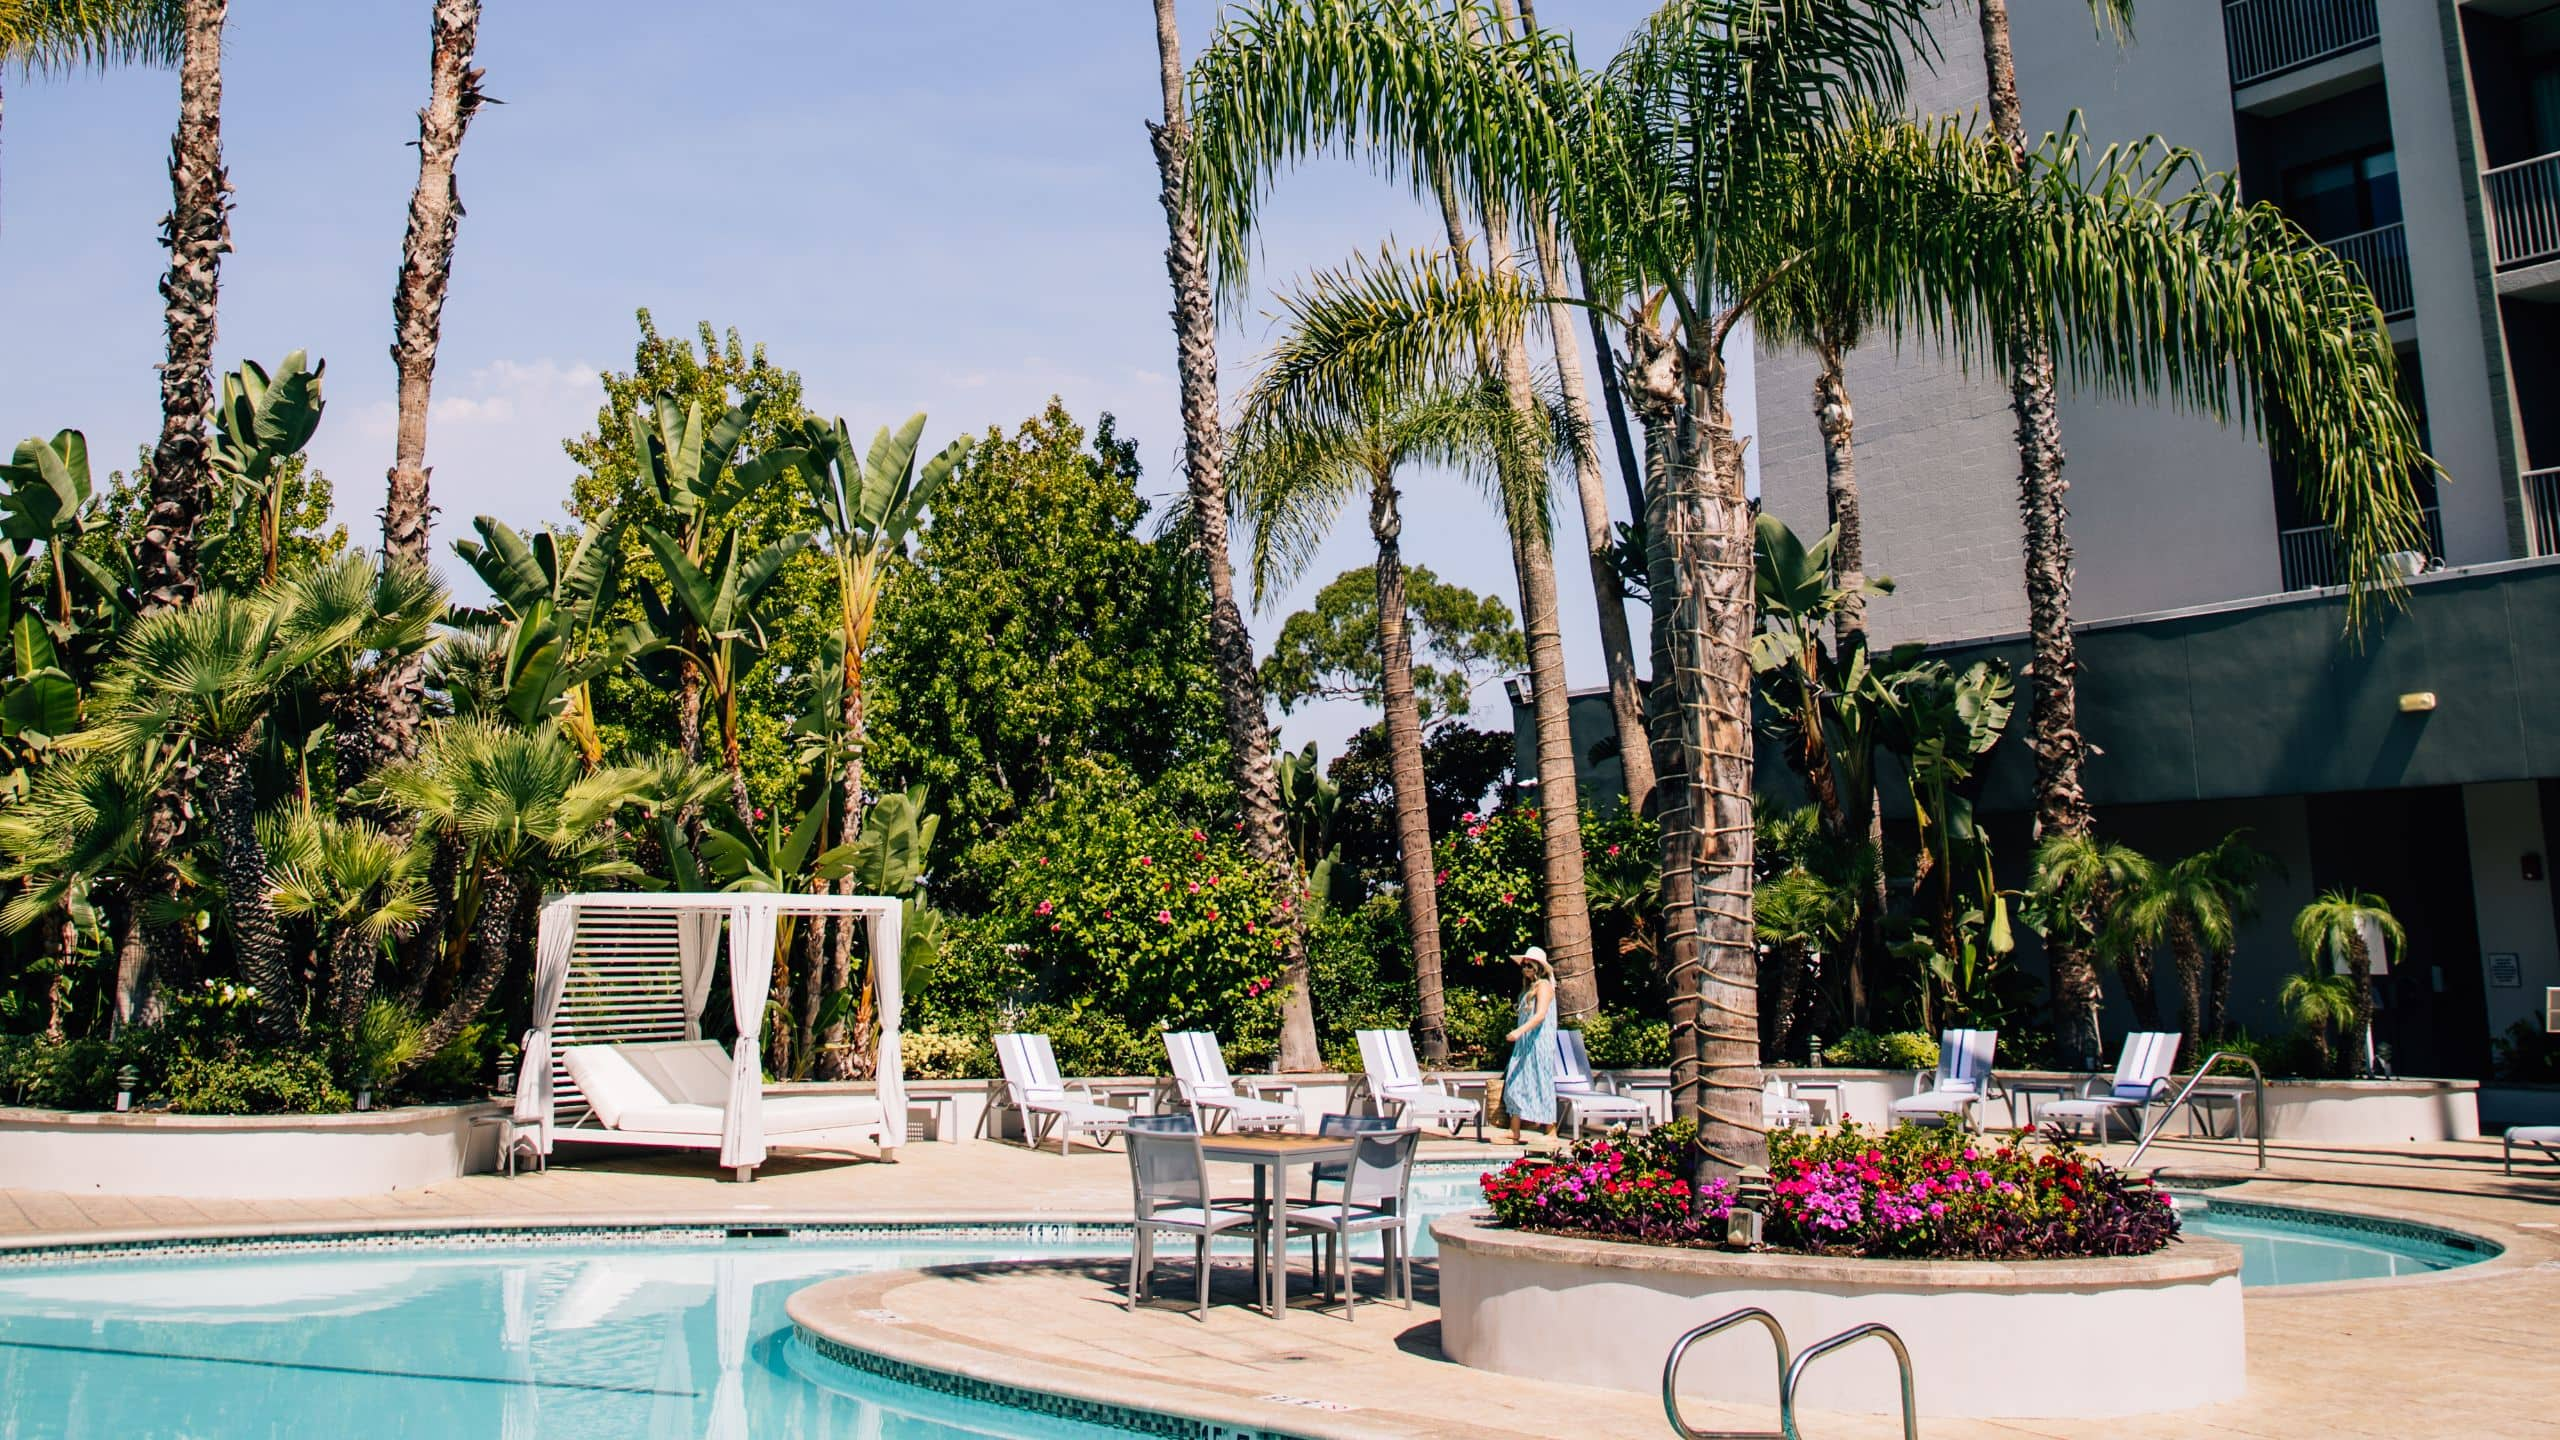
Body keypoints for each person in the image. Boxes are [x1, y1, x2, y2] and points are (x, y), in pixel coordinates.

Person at [1501, 945, 1557, 1145]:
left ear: (1539, 968)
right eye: (1524, 965)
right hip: (1525, 1043)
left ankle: (1550, 1130)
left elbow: (1540, 1015)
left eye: (1530, 965)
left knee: (1541, 1082)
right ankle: (1514, 1130)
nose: (1526, 968)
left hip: (1538, 1042)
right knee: (1515, 1082)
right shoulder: (1528, 989)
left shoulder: (1544, 986)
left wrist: (1518, 1032)